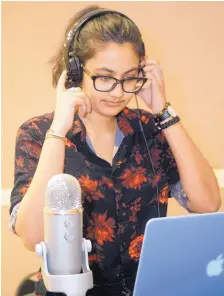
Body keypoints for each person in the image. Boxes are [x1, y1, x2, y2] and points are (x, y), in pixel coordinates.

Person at [9, 5, 221, 296]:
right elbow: (34, 236)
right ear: (74, 72)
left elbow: (207, 203)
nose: (119, 92)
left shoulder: (150, 130)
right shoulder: (37, 133)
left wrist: (164, 111)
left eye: (130, 77)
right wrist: (58, 130)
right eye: (105, 77)